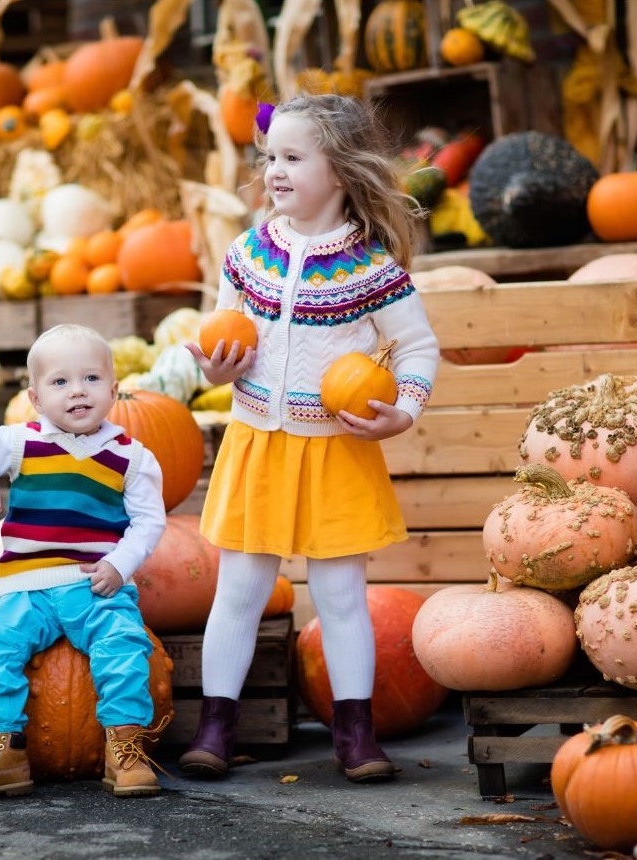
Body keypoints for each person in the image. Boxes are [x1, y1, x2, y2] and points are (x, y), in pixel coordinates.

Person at [180, 94, 439, 783]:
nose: (275, 172)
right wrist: (214, 365)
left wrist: (403, 412)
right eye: (271, 158)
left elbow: (416, 348)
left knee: (340, 595)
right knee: (238, 589)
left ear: (343, 171)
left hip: (336, 448)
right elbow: (221, 331)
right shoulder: (248, 252)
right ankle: (216, 725)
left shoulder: (370, 268)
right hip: (259, 440)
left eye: (293, 158)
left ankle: (356, 733)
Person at [0, 324, 169, 801]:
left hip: (94, 582)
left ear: (114, 388)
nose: (77, 391)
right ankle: (3, 752)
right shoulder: (20, 441)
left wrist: (119, 565)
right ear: (36, 398)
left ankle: (123, 748)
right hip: (27, 584)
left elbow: (149, 522)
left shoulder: (132, 456)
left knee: (124, 645)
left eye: (90, 378)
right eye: (60, 382)